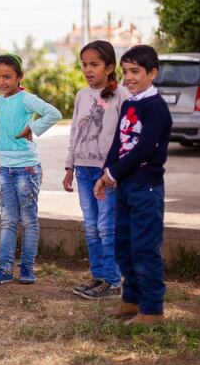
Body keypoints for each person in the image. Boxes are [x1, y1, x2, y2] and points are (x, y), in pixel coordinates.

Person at [0, 54, 61, 286]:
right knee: (7, 221)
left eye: (7, 77)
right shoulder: (2, 100)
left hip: (26, 170)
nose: (1, 82)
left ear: (19, 77)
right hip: (5, 170)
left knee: (28, 221)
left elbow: (54, 113)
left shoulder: (26, 99)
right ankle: (5, 269)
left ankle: (27, 269)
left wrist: (33, 128)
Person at [94, 45, 171, 327]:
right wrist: (106, 174)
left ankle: (152, 311)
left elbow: (145, 149)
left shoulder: (156, 107)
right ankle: (132, 301)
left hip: (146, 188)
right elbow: (119, 144)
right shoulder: (129, 104)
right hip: (124, 186)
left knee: (144, 249)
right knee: (123, 247)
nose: (129, 77)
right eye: (125, 71)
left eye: (136, 71)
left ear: (152, 73)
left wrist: (113, 172)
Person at [64, 41, 129, 300]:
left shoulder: (120, 95)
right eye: (84, 65)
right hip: (82, 171)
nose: (88, 70)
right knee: (91, 226)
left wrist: (118, 170)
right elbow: (74, 133)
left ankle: (113, 281)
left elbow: (127, 136)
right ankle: (99, 276)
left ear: (109, 67)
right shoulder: (81, 95)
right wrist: (70, 166)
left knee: (106, 227)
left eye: (94, 65)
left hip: (107, 174)